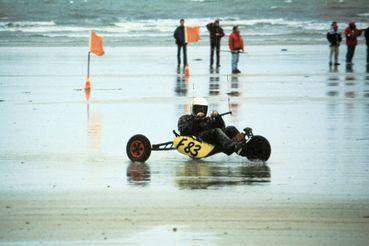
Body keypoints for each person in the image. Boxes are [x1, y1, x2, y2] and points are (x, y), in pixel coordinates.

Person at [177, 97, 245, 155]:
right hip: (199, 137)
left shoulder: (208, 119)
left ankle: (243, 144)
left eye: (203, 109)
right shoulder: (185, 118)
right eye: (197, 109)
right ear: (193, 109)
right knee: (216, 131)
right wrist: (196, 121)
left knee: (231, 128)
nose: (201, 111)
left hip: (212, 137)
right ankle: (230, 144)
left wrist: (218, 117)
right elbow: (183, 131)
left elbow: (222, 128)